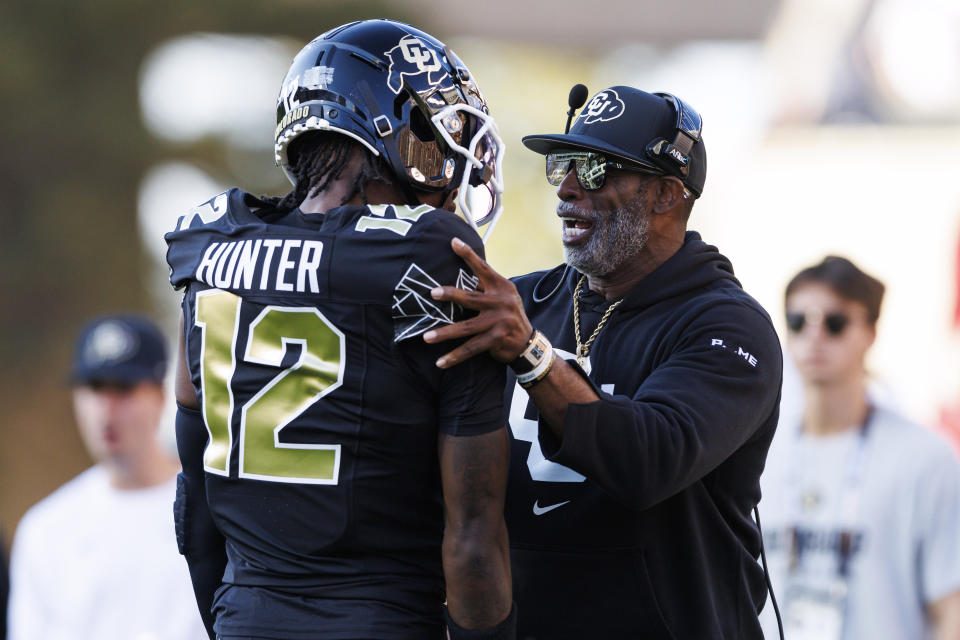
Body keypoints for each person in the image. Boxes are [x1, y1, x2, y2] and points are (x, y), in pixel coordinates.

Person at [164, 19, 514, 640]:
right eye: (435, 131)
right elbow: (474, 537)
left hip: (247, 615)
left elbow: (196, 491)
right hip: (383, 617)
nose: (449, 154)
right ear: (386, 128)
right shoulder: (432, 255)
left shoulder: (206, 242)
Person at [425, 86, 784, 638]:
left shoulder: (729, 326)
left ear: (667, 193)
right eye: (563, 165)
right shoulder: (522, 303)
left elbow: (651, 459)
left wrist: (530, 355)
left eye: (594, 170)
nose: (567, 189)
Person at [757, 256, 960, 640]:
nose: (813, 336)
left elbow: (950, 607)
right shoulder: (756, 451)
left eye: (835, 323)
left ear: (870, 331)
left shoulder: (926, 457)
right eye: (798, 322)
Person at [7, 314, 207, 640]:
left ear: (159, 395)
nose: (106, 408)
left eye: (124, 388)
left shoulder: (210, 511)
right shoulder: (46, 528)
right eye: (95, 388)